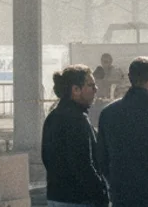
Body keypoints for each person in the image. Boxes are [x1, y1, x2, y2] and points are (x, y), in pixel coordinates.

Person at [97, 57, 148, 207]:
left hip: (122, 196)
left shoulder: (108, 113)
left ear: (130, 78)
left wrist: (114, 185)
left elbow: (102, 158)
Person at [41, 64, 109, 207]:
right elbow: (83, 164)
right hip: (78, 199)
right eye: (91, 85)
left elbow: (46, 157)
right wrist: (101, 194)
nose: (96, 89)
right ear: (76, 90)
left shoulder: (53, 117)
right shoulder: (77, 119)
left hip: (56, 196)